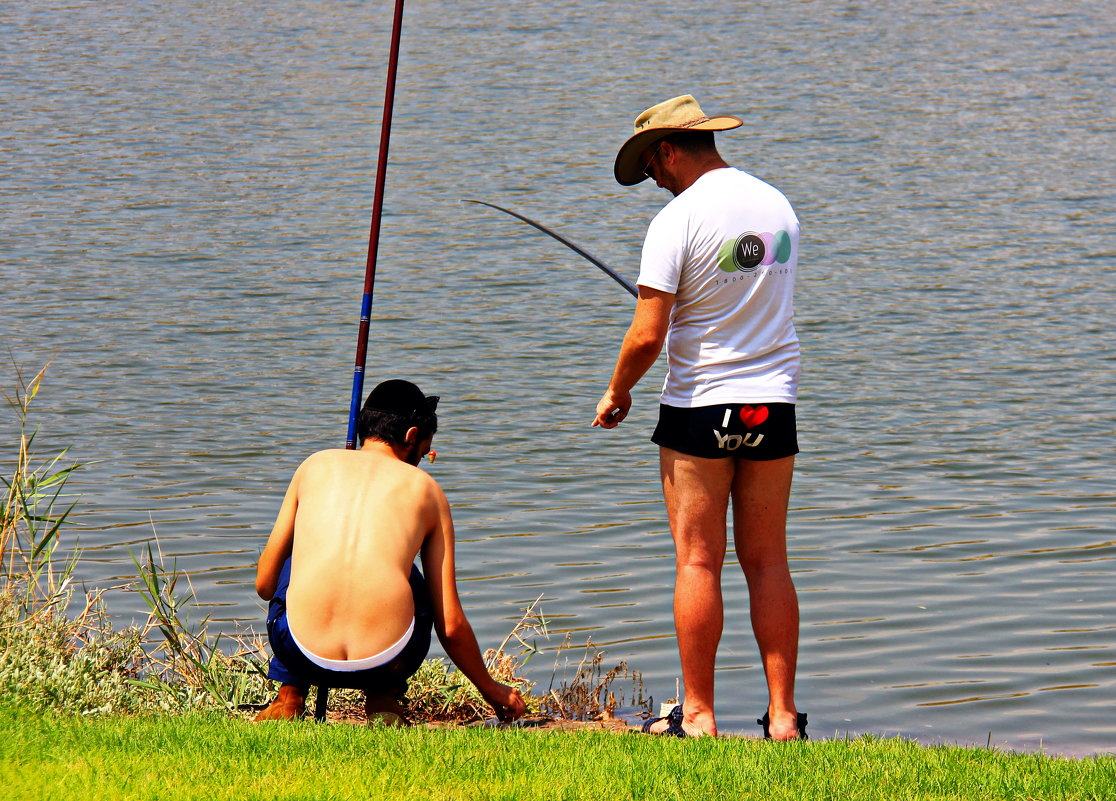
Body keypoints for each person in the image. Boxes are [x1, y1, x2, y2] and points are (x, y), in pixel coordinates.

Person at [594, 95, 806, 740]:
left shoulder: (674, 221)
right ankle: (782, 718)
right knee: (768, 561)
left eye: (651, 167)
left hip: (699, 404)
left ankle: (699, 716)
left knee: (697, 561)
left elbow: (646, 335)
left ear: (667, 150)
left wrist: (616, 392)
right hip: (773, 400)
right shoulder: (777, 206)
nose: (652, 182)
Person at [254, 379, 526, 725]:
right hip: (388, 659)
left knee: (297, 562)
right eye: (426, 450)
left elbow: (265, 585)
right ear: (412, 436)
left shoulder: (314, 466)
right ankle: (383, 696)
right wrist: (491, 689)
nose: (425, 460)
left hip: (298, 651)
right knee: (412, 580)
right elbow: (450, 624)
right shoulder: (428, 492)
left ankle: (289, 696)